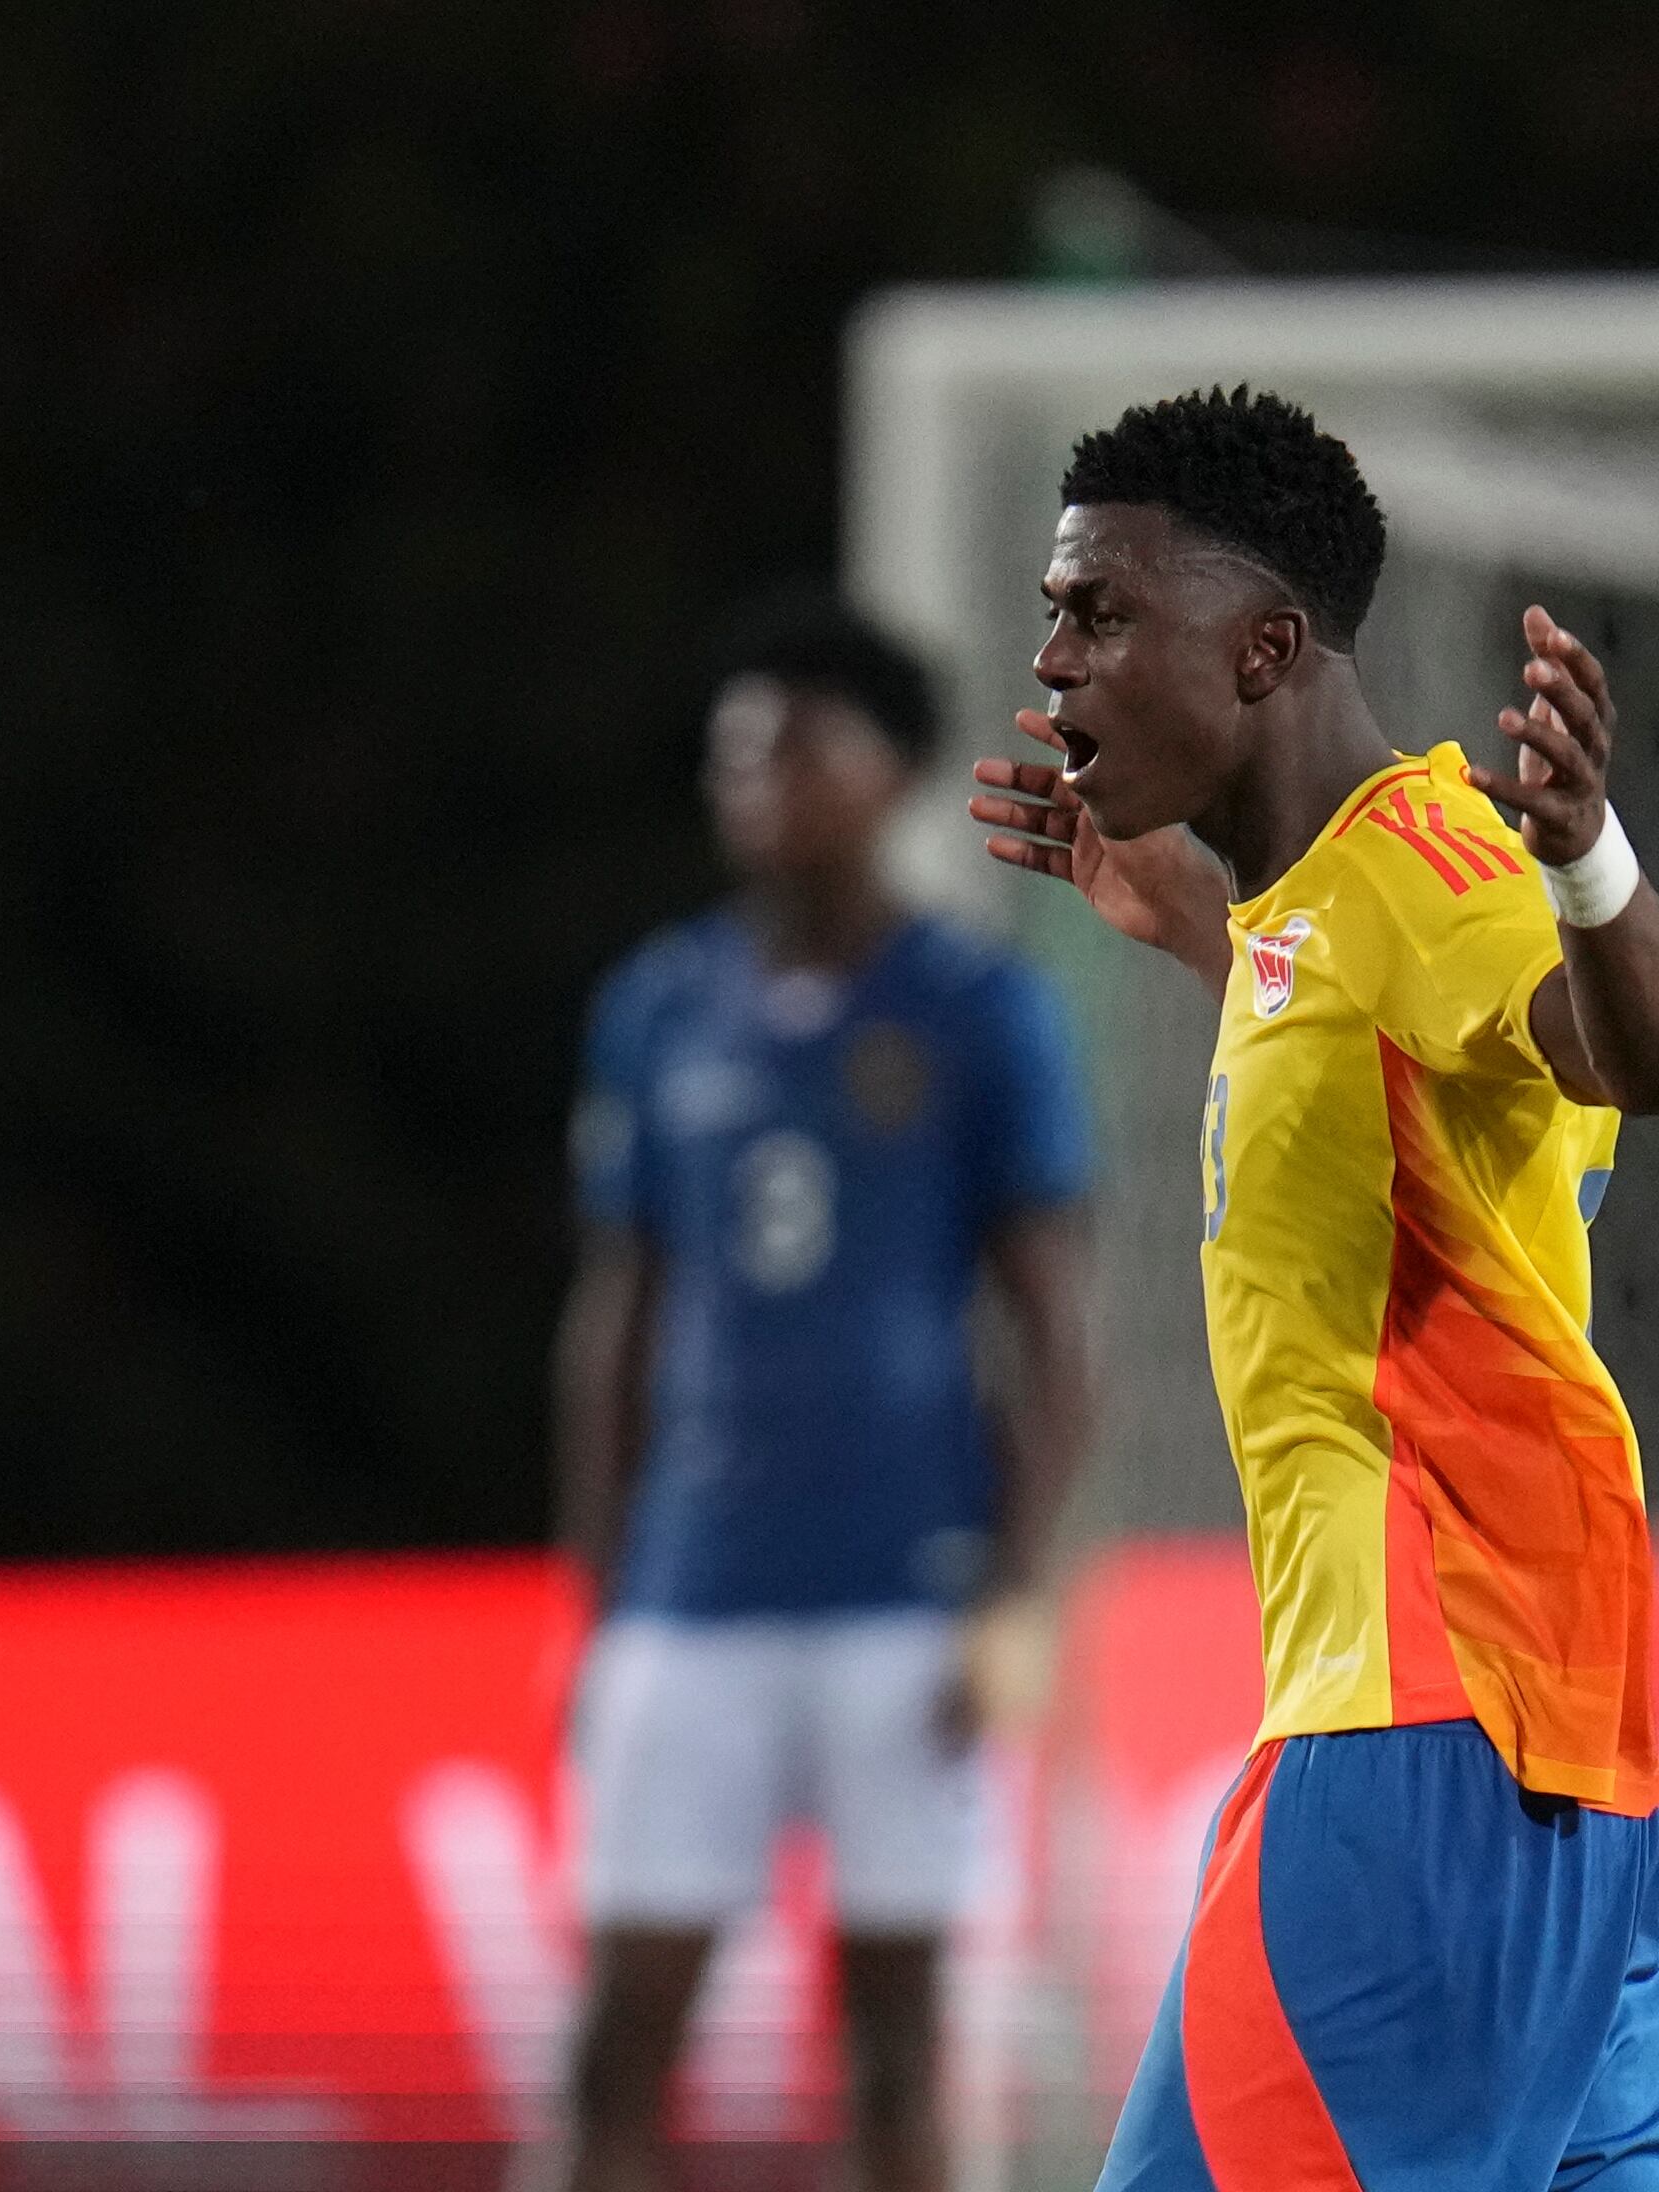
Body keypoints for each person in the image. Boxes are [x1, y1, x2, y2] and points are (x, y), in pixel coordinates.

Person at [963, 388, 1659, 2192]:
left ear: (1264, 648)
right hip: (1546, 1749)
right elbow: (1414, 1077)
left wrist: (1592, 857)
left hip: (1424, 1733)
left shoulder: (1429, 869)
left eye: (1102, 614)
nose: (1055, 663)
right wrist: (1195, 929)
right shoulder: (1333, 911)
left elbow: (1656, 1052)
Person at [554, 589, 1097, 2192]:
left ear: (895, 773)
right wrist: (598, 1594)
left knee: (898, 2050)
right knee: (616, 2043)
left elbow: (1055, 1331)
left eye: (795, 750)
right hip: (695, 1595)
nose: (757, 785)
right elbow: (618, 1317)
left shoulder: (978, 1010)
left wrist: (1013, 1594)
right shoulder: (658, 1008)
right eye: (735, 758)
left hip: (904, 1598)